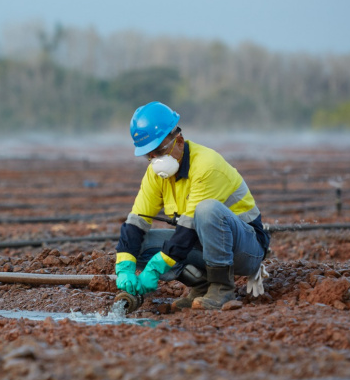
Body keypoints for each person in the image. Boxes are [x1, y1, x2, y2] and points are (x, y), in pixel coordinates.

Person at [114, 101, 271, 310]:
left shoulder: (207, 165)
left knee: (206, 210)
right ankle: (202, 285)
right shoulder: (155, 175)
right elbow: (137, 220)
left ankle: (221, 287)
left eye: (159, 151)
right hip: (203, 243)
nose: (155, 160)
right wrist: (124, 266)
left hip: (245, 248)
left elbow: (188, 230)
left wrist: (155, 267)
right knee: (139, 246)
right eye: (149, 155)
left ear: (178, 141)